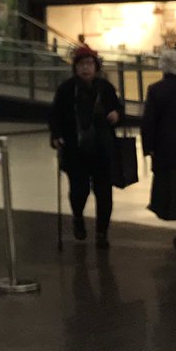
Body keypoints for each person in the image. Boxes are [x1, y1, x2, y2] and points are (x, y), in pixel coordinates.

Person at [49, 45, 122, 248]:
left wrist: (117, 115)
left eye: (89, 64)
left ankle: (101, 232)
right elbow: (55, 115)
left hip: (101, 149)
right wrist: (56, 135)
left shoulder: (105, 88)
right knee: (79, 191)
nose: (85, 68)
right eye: (81, 64)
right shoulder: (66, 90)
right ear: (75, 67)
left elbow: (118, 108)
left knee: (104, 192)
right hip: (75, 150)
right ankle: (78, 217)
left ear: (96, 66)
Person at [140, 42, 176, 248]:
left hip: (167, 151)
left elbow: (149, 122)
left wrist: (148, 147)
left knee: (174, 191)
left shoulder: (156, 90)